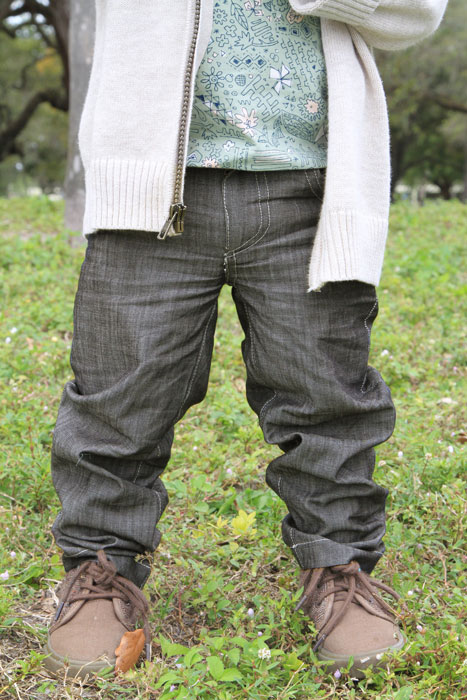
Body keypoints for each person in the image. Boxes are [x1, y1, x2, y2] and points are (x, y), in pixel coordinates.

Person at [44, 0, 448, 681]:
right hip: (149, 177)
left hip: (311, 180)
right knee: (119, 395)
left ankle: (338, 567)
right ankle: (101, 568)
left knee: (325, 391)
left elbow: (417, 11)